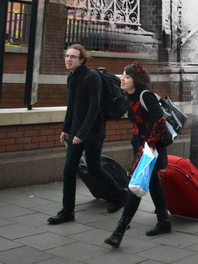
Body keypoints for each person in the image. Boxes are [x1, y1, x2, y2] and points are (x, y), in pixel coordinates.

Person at [48, 44, 127, 225]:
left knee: (94, 168)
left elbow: (95, 108)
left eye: (73, 57)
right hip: (77, 131)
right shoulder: (71, 78)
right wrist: (66, 129)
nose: (68, 59)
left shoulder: (92, 77)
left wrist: (82, 133)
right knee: (69, 170)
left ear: (81, 59)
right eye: (67, 56)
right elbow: (72, 106)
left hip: (93, 131)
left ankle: (119, 195)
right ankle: (67, 211)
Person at [105, 62, 170, 248]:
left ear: (136, 80)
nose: (122, 79)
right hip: (140, 146)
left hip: (152, 149)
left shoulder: (145, 95)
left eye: (127, 76)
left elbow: (159, 123)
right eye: (122, 75)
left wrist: (148, 146)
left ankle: (119, 231)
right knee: (153, 184)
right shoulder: (128, 96)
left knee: (135, 186)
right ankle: (164, 221)